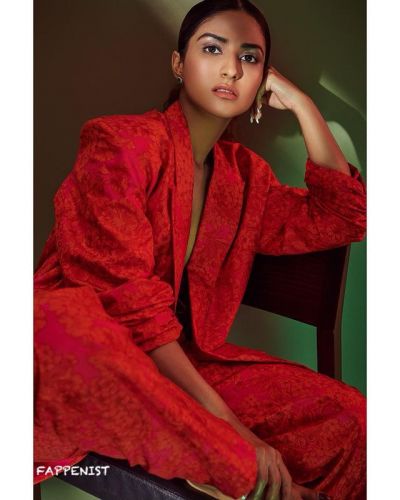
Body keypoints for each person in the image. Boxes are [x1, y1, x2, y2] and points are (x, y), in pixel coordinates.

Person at [34, 1, 366, 499]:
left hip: (184, 366)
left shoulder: (244, 178)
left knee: (354, 422)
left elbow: (344, 217)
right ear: (178, 63)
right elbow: (125, 304)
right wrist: (233, 428)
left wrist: (303, 105)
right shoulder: (120, 142)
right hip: (97, 359)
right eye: (212, 49)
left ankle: (222, 457)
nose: (231, 68)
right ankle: (239, 468)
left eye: (250, 59)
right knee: (60, 325)